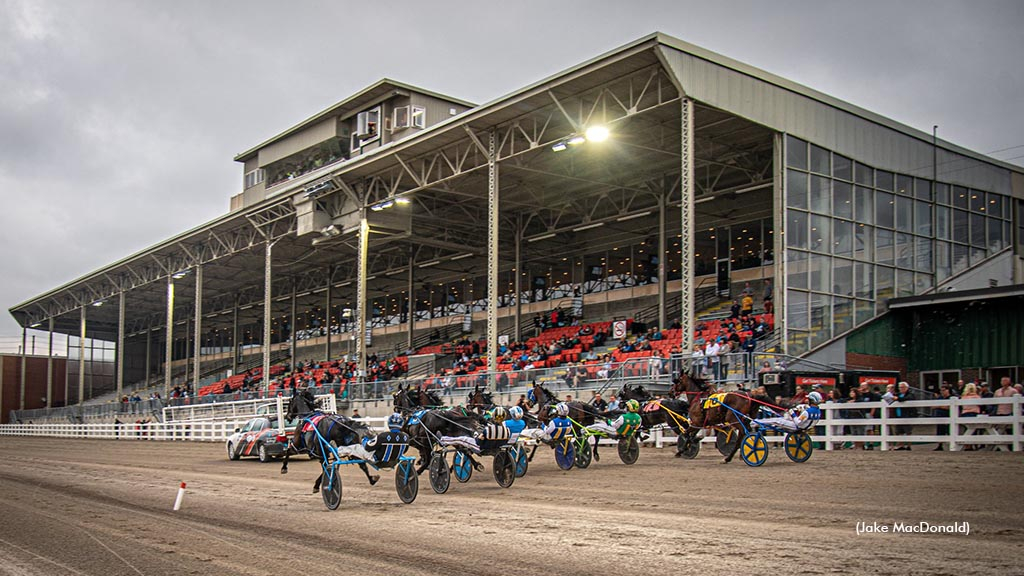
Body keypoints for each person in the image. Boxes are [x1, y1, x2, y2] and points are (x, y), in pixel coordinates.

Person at [342, 413, 410, 484]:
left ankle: (339, 451)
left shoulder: (383, 436)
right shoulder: (406, 437)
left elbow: (368, 447)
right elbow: (404, 451)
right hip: (394, 461)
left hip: (378, 461)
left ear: (389, 424)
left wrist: (364, 440)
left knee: (355, 447)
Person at [756, 391, 822, 431]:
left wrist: (792, 413)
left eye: (809, 399)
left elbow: (798, 422)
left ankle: (755, 422)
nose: (807, 400)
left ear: (812, 400)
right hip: (806, 427)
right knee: (783, 418)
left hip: (797, 426)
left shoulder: (807, 412)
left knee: (777, 420)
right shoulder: (818, 411)